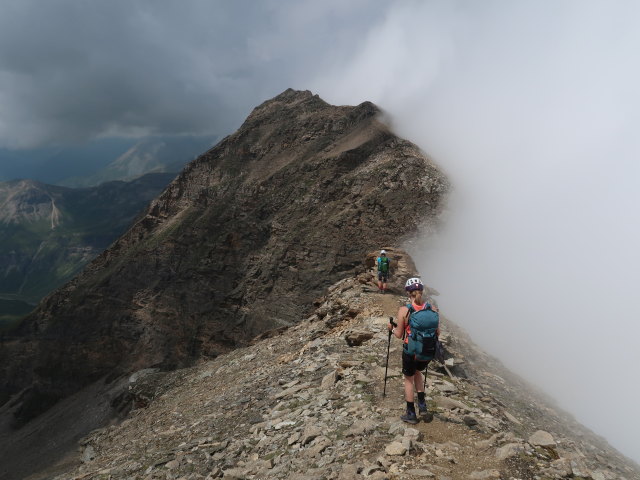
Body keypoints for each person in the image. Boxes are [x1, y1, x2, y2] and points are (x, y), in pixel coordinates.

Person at [388, 277, 440, 424]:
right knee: (418, 373)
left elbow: (399, 335)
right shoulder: (432, 309)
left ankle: (411, 413)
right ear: (422, 292)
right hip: (427, 352)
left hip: (411, 352)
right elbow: (438, 333)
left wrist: (391, 329)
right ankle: (422, 406)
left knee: (408, 380)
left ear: (408, 292)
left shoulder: (404, 310)